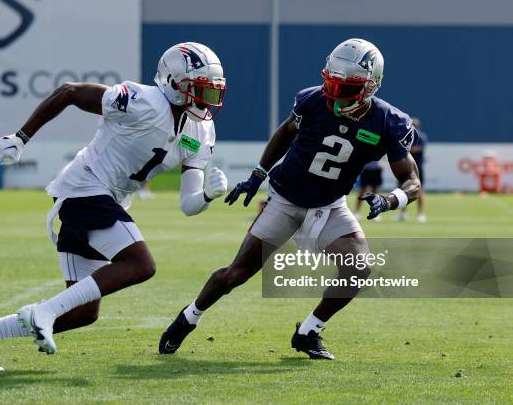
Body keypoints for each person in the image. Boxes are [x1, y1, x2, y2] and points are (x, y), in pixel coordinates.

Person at [0, 42, 228, 371]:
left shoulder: (202, 129)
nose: (203, 100)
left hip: (105, 199)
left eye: (209, 92)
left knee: (84, 312)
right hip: (84, 187)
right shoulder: (141, 101)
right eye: (196, 90)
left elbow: (188, 204)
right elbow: (69, 92)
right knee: (141, 264)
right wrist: (21, 136)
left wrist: (208, 197)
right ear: (170, 81)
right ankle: (45, 311)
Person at [159, 38, 421, 360]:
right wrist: (258, 174)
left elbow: (411, 181)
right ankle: (189, 317)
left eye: (346, 87)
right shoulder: (312, 101)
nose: (335, 94)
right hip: (285, 199)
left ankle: (309, 331)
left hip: (328, 205)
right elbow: (285, 132)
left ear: (371, 86)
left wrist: (391, 201)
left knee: (359, 268)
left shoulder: (388, 122)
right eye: (332, 83)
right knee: (237, 274)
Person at [397, 117, 427, 222]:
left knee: (419, 191)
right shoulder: (405, 136)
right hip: (405, 167)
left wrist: (404, 149)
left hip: (417, 168)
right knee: (402, 190)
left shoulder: (421, 137)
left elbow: (416, 149)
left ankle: (420, 214)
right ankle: (402, 214)